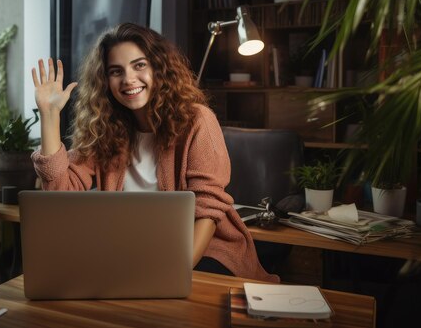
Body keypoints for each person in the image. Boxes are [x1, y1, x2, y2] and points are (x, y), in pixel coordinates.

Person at [31, 22, 278, 282]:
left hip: (203, 251)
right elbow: (59, 197)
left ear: (158, 67)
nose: (128, 79)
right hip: (132, 251)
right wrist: (49, 116)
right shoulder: (103, 128)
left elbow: (208, 211)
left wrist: (174, 271)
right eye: (116, 71)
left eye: (139, 65)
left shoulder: (197, 120)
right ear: (105, 81)